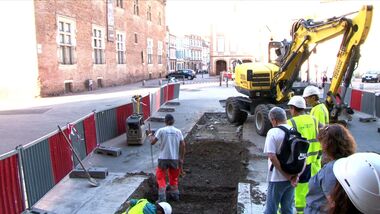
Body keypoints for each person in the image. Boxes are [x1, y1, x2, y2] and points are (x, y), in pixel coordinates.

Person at [304, 124, 356, 214]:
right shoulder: (349, 162)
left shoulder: (331, 169)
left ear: (328, 145)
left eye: (321, 143)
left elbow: (333, 202)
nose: (321, 147)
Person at [287, 96, 320, 213]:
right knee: (306, 187)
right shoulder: (314, 120)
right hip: (311, 160)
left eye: (290, 109)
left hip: (297, 162)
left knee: (295, 189)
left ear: (293, 108)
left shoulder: (291, 122)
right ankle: (304, 208)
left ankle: (298, 209)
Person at [264, 107, 297, 214]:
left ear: (274, 120)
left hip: (276, 178)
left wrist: (285, 174)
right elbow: (302, 156)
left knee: (271, 210)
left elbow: (272, 156)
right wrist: (295, 176)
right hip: (292, 177)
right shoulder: (294, 131)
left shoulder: (273, 132)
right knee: (287, 209)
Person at [150, 114, 186, 202]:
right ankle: (175, 196)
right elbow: (183, 145)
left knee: (160, 177)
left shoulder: (161, 130)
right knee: (174, 178)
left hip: (163, 158)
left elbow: (153, 142)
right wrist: (181, 158)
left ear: (165, 121)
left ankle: (162, 198)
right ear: (173, 121)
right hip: (174, 159)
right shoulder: (178, 131)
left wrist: (150, 135)